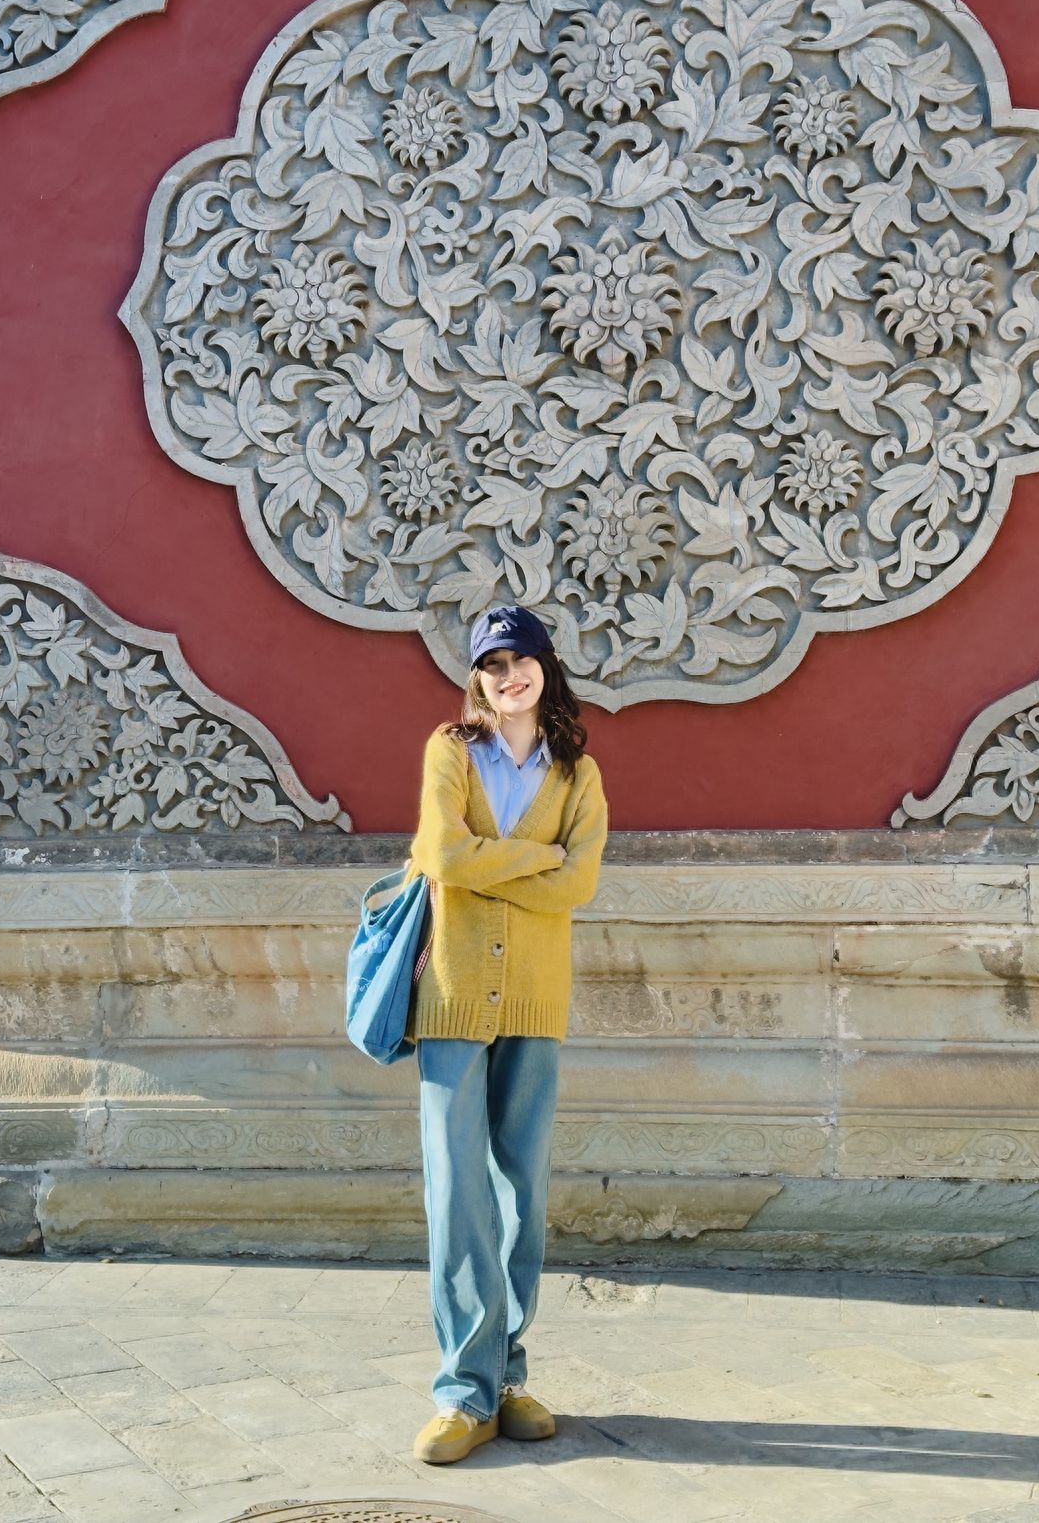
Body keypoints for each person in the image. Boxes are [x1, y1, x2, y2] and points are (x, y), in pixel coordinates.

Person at [405, 602, 609, 1465]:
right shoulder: (449, 750)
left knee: (522, 1188)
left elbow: (581, 885)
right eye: (493, 663)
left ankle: (509, 1375)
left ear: (544, 668)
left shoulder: (578, 773)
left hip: (534, 999)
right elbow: (439, 855)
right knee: (457, 1192)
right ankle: (461, 1391)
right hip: (452, 997)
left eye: (521, 660)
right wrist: (534, 857)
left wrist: (497, 859)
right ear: (478, 677)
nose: (508, 675)